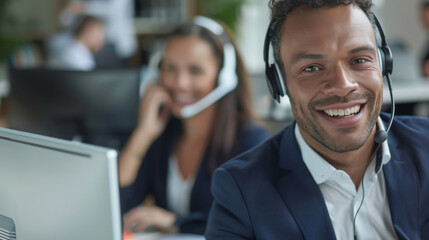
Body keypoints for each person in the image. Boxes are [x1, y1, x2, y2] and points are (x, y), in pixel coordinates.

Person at [205, 1, 429, 239]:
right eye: (312, 68)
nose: (343, 86)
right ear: (280, 84)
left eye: (359, 60)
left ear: (383, 63)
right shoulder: (240, 191)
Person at [119, 17, 269, 235]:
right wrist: (142, 135)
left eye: (195, 71)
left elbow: (250, 222)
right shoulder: (163, 132)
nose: (179, 83)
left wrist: (175, 221)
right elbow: (119, 205)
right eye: (170, 68)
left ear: (223, 76)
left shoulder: (251, 141)